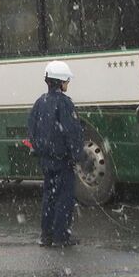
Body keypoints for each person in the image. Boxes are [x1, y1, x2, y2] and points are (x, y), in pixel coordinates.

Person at [27, 60, 84, 248]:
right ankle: (61, 236)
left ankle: (47, 235)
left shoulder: (39, 102)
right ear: (60, 82)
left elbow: (32, 130)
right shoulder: (65, 104)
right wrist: (77, 156)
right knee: (64, 199)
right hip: (63, 160)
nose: (68, 84)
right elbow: (72, 132)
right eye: (67, 80)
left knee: (49, 197)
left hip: (46, 160)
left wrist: (41, 150)